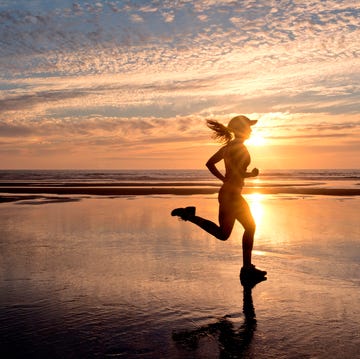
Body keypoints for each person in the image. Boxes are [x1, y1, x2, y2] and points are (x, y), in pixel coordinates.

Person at [171, 115, 266, 283]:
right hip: (232, 195)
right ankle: (246, 269)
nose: (251, 130)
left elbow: (210, 164)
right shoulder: (241, 148)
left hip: (227, 193)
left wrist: (225, 179)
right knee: (250, 227)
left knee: (224, 234)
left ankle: (189, 215)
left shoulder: (228, 147)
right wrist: (249, 174)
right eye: (249, 127)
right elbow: (236, 172)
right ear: (242, 129)